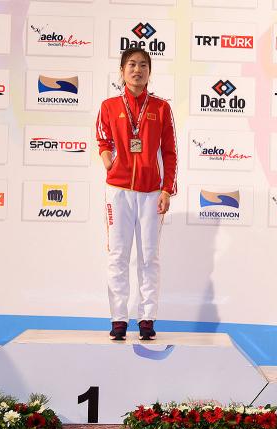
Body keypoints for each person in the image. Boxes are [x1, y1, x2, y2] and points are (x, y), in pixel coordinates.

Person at [96, 47, 177, 341]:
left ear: (149, 72)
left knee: (149, 257)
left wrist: (167, 188)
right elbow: (102, 137)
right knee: (117, 255)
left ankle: (146, 318)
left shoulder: (161, 108)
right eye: (131, 64)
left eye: (143, 65)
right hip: (117, 191)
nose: (137, 70)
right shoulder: (108, 106)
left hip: (151, 192)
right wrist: (106, 156)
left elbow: (170, 152)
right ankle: (119, 319)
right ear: (122, 71)